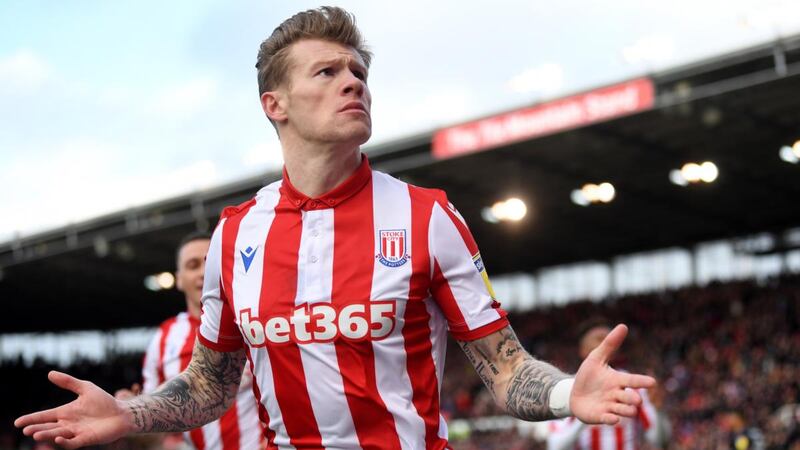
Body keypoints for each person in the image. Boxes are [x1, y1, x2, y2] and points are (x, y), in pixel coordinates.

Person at [15, 7, 655, 450]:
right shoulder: (236, 237)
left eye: (360, 73)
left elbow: (506, 368)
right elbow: (211, 383)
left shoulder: (428, 217)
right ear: (276, 105)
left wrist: (568, 392)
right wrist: (128, 413)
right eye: (328, 71)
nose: (354, 81)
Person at [116, 232, 265, 450]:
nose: (204, 273)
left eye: (210, 263)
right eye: (193, 265)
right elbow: (156, 431)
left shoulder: (255, 323)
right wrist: (128, 413)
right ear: (179, 279)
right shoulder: (163, 339)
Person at [547, 320, 670, 450]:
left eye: (609, 337)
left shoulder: (633, 386)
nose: (605, 341)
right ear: (582, 350)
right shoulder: (565, 390)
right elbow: (555, 446)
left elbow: (659, 441)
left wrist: (659, 412)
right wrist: (582, 416)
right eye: (598, 338)